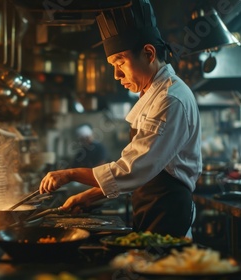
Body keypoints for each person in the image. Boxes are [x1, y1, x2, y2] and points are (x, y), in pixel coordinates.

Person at [39, 0, 202, 238]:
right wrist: (90, 195)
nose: (116, 74)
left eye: (120, 63)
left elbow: (133, 169)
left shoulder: (170, 100)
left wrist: (70, 174)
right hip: (153, 209)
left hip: (168, 215)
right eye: (113, 65)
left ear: (148, 53)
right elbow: (141, 172)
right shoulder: (154, 95)